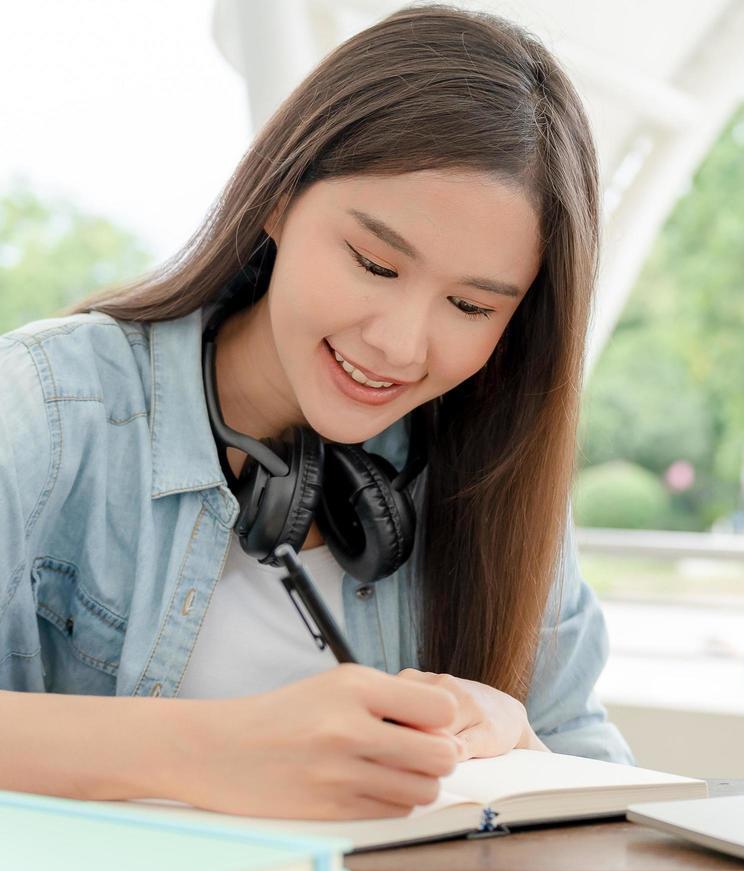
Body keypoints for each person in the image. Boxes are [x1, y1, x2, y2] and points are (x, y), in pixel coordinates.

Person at [0, 3, 634, 821]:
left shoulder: (494, 474)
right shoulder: (47, 407)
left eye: (472, 307)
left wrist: (518, 747)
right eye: (374, 262)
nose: (403, 347)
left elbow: (602, 792)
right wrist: (221, 751)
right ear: (277, 198)